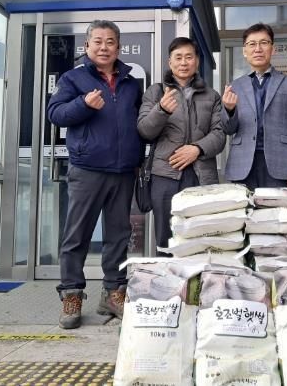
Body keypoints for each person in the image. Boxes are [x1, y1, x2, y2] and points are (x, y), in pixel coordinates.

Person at [47, 19, 143, 329]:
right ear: (87, 46)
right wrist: (83, 104)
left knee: (119, 236)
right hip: (87, 168)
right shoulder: (73, 78)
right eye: (98, 41)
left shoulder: (131, 83)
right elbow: (55, 114)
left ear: (119, 47)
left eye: (110, 42)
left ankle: (113, 293)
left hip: (123, 170)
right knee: (77, 236)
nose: (104, 47)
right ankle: (72, 295)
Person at [137, 37, 225, 254]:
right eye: (178, 57)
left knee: (201, 236)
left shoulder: (212, 96)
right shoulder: (156, 92)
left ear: (197, 61)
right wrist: (161, 111)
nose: (183, 62)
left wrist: (197, 149)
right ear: (170, 62)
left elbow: (219, 134)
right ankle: (167, 276)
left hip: (201, 175)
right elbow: (144, 131)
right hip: (164, 175)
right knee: (166, 239)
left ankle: (197, 277)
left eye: (189, 57)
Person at [221, 23, 287, 191]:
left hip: (280, 162)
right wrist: (229, 110)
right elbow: (228, 129)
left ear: (272, 49)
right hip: (242, 164)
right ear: (245, 51)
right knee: (245, 208)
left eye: (264, 43)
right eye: (252, 44)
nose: (258, 49)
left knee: (276, 208)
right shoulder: (235, 86)